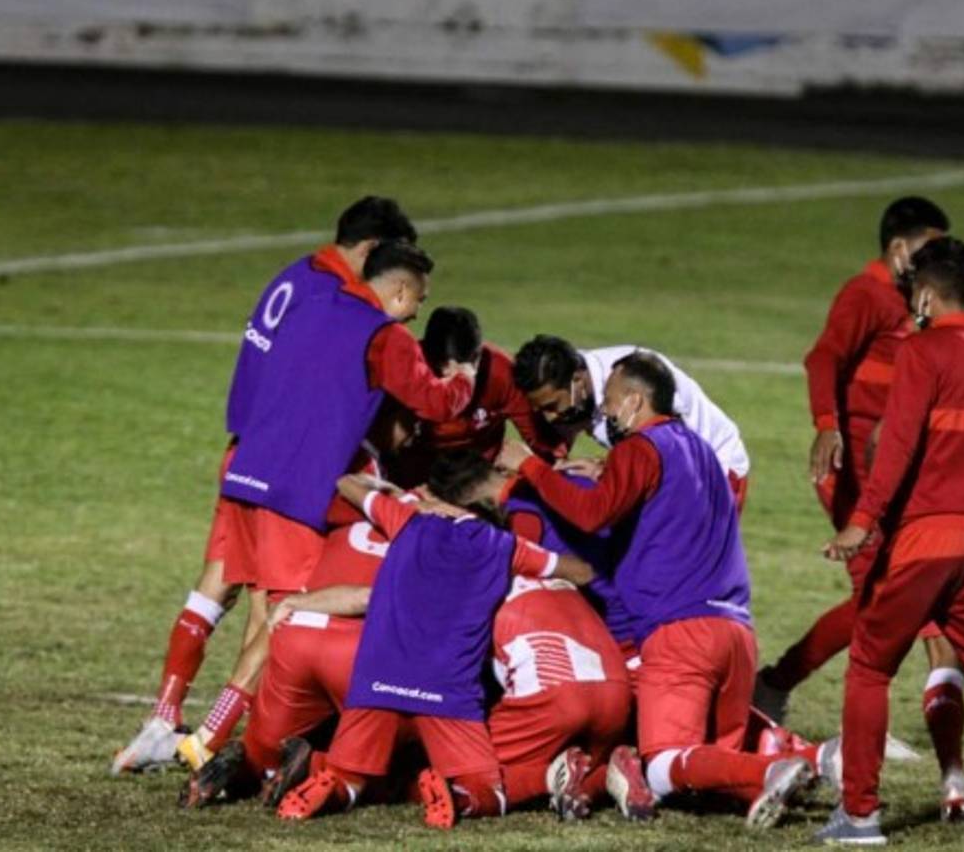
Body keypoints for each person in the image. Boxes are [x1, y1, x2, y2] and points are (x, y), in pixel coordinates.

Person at [112, 196, 422, 775]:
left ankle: (163, 717)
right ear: (373, 253)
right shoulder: (337, 304)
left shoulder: (294, 278)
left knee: (216, 587)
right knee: (274, 608)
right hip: (285, 467)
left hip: (245, 452)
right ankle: (205, 741)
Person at [176, 239, 477, 769]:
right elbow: (433, 401)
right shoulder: (386, 337)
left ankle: (215, 722)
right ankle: (208, 738)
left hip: (246, 472)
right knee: (289, 615)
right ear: (402, 290)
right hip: (298, 488)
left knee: (265, 605)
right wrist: (463, 382)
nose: (416, 311)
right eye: (418, 300)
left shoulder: (314, 307)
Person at [498, 352, 812, 830]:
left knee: (665, 766)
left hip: (681, 636)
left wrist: (532, 469)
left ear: (634, 401)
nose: (601, 412)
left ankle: (770, 767)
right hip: (737, 633)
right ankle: (811, 761)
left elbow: (591, 515)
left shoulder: (640, 450)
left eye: (608, 401)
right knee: (705, 776)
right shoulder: (704, 453)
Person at [754, 198, 964, 799]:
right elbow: (822, 356)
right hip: (854, 469)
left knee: (888, 595)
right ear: (899, 248)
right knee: (896, 596)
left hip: (897, 471)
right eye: (925, 249)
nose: (930, 262)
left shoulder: (913, 303)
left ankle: (783, 685)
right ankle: (801, 694)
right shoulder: (867, 293)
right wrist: (827, 423)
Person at [276, 472, 598, 829]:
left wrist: (393, 491)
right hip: (447, 690)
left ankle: (330, 784)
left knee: (351, 777)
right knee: (487, 789)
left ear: (445, 503)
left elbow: (347, 485)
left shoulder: (407, 521)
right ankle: (456, 795)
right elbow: (582, 572)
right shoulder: (504, 546)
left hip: (377, 683)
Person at [817, 237, 964, 845]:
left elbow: (896, 449)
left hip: (926, 543)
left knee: (869, 664)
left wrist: (859, 524)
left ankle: (860, 816)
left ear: (922, 293)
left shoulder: (923, 349)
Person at [179, 401, 419, 808]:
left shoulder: (353, 490)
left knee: (265, 613)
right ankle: (313, 765)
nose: (415, 433)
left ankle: (227, 746)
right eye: (410, 420)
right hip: (353, 654)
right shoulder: (427, 528)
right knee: (398, 757)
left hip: (253, 476)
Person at [427, 451, 631, 820]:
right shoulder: (571, 489)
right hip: (620, 665)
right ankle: (609, 771)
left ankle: (563, 778)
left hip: (561, 687)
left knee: (466, 770)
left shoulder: (497, 557)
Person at [512, 335, 750, 509]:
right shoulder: (575, 386)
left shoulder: (634, 379)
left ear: (578, 381)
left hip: (713, 471)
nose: (550, 417)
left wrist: (607, 472)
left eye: (553, 406)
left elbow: (673, 452)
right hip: (669, 473)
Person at [385, 306, 563, 486]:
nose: (457, 378)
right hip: (414, 483)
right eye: (444, 367)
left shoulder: (502, 372)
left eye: (466, 367)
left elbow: (541, 441)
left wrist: (554, 467)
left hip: (477, 481)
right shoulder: (407, 368)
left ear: (478, 355)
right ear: (428, 354)